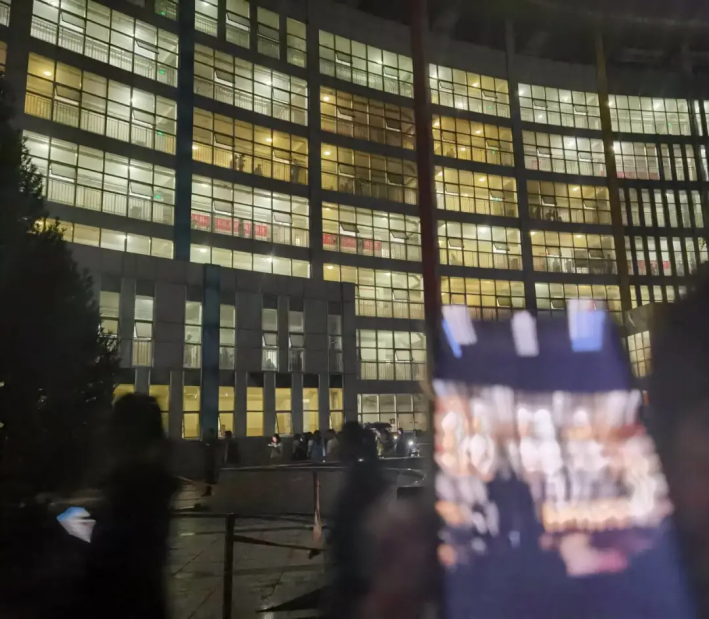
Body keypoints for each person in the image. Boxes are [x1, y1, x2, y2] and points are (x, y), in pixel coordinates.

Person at [72, 394, 177, 619]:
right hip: (140, 599)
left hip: (124, 602)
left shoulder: (137, 481)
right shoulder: (150, 476)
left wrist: (68, 515)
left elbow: (107, 542)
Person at [202, 428, 219, 497]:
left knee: (210, 475)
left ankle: (209, 490)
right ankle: (208, 490)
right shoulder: (212, 440)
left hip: (211, 459)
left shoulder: (213, 441)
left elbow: (211, 449)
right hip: (211, 459)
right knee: (209, 475)